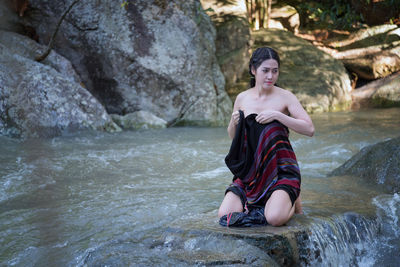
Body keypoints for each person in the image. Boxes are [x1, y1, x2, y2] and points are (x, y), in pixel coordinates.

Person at [218, 47, 314, 227]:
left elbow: (309, 129)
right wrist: (233, 123)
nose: (270, 76)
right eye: (265, 71)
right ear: (253, 70)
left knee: (274, 219)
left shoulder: (285, 97)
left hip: (281, 171)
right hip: (250, 173)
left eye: (275, 71)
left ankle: (292, 199)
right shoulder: (242, 98)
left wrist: (279, 116)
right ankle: (272, 201)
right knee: (225, 215)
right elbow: (233, 137)